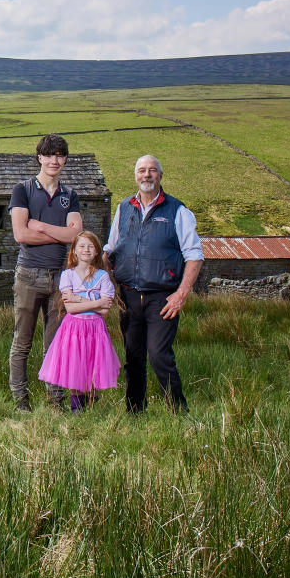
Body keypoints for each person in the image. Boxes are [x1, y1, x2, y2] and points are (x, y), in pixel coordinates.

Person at [104, 155, 203, 413]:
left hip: (163, 297)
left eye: (152, 171)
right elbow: (110, 249)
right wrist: (101, 281)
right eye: (141, 171)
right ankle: (135, 411)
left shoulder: (178, 211)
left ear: (160, 175)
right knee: (133, 357)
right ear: (135, 175)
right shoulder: (124, 208)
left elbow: (194, 255)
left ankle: (178, 411)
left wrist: (181, 294)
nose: (146, 175)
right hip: (128, 295)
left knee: (160, 356)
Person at [7, 135, 82, 412]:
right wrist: (60, 233)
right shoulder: (22, 189)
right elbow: (20, 233)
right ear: (39, 157)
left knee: (55, 344)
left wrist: (41, 226)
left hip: (61, 278)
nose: (54, 161)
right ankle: (21, 401)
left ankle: (55, 401)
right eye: (49, 155)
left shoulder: (70, 194)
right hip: (28, 274)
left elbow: (75, 236)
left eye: (60, 155)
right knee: (22, 342)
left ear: (65, 159)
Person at [38, 231, 120, 412]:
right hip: (74, 328)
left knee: (92, 368)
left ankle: (89, 405)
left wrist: (79, 298)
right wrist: (96, 302)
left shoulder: (103, 277)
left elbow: (105, 310)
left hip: (95, 329)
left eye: (91, 246)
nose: (86, 250)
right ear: (74, 251)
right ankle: (76, 410)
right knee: (76, 368)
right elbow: (71, 308)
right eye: (81, 246)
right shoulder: (68, 275)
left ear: (97, 251)